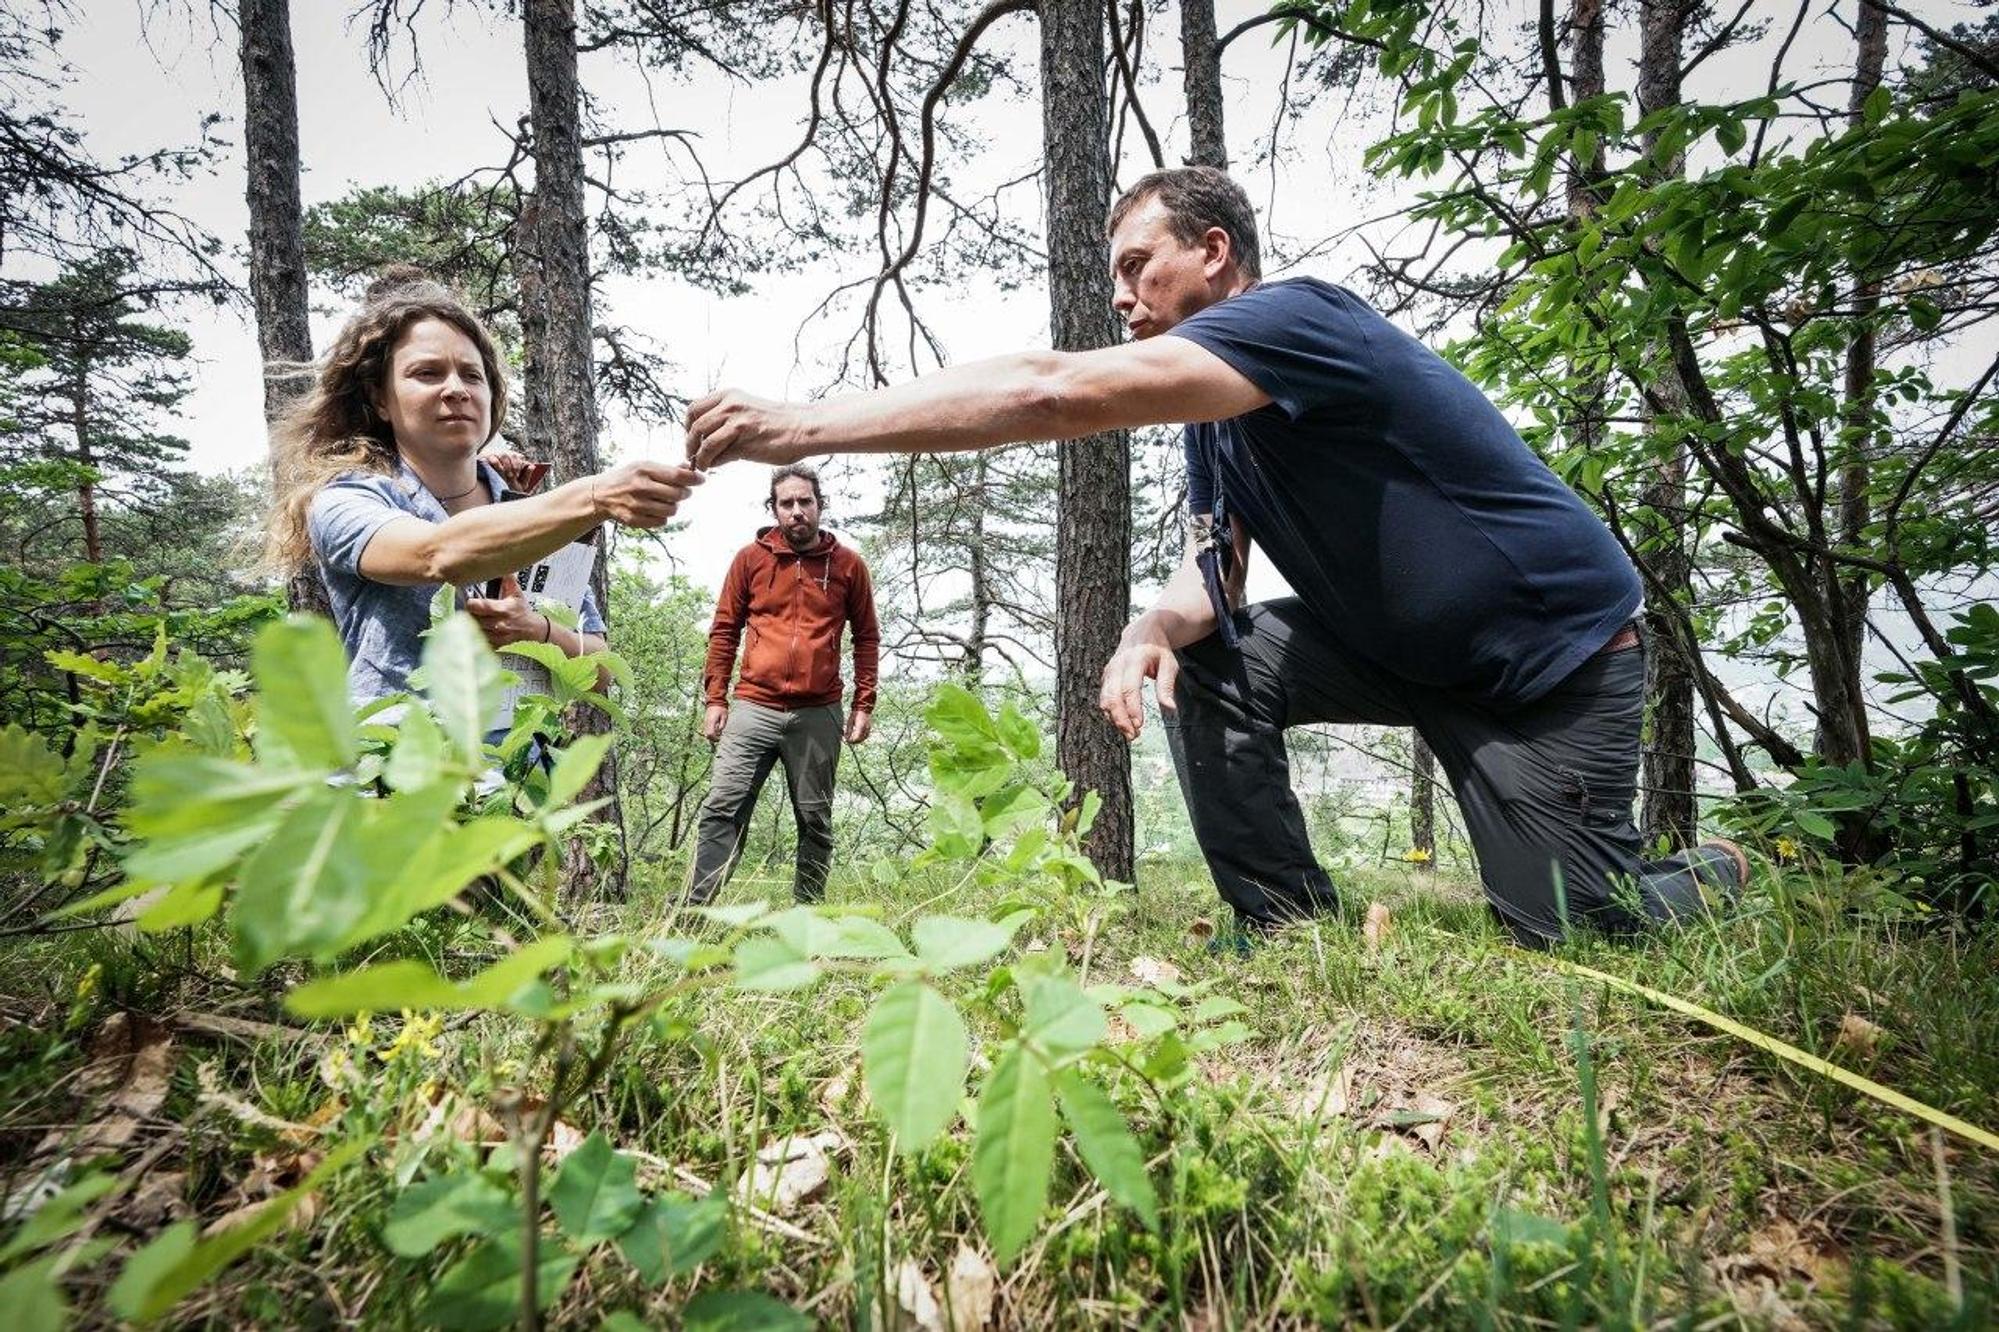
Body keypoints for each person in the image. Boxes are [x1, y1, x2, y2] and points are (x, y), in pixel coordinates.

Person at [680, 166, 1747, 948]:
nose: (1122, 295)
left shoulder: (1299, 320)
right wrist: (1150, 627)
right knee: (1213, 660)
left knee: (1575, 928)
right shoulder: (1214, 423)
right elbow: (1217, 580)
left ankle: (1710, 873)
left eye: (1139, 266)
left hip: (1547, 663)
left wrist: (807, 423)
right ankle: (1285, 922)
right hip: (1397, 652)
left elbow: (1051, 390)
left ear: (1215, 252)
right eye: (1117, 277)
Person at [265, 272, 703, 732]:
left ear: (492, 396)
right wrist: (595, 495)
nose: (456, 388)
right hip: (395, 773)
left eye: (472, 375)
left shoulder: (531, 513)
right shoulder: (348, 499)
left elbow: (600, 671)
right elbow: (437, 554)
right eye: (427, 373)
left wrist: (537, 631)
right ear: (379, 399)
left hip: (514, 780)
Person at [685, 464, 880, 905]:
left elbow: (867, 636)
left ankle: (806, 919)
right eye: (786, 503)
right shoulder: (749, 560)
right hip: (753, 705)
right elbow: (724, 630)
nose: (796, 511)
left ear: (819, 505)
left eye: (804, 502)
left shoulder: (848, 565)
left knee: (814, 818)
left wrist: (864, 704)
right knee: (722, 807)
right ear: (773, 509)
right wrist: (715, 697)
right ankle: (693, 914)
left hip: (819, 711)